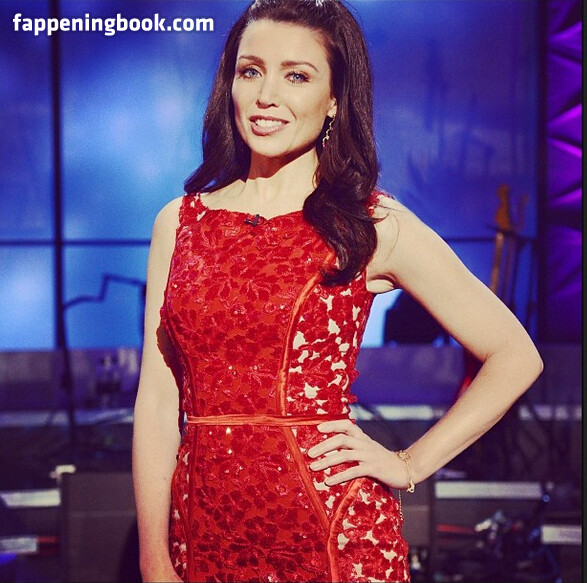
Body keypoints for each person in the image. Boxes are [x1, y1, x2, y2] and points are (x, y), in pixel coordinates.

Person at [132, 0, 543, 581]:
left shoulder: (371, 224)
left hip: (330, 535)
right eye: (251, 71)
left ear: (334, 99)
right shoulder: (179, 223)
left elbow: (515, 355)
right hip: (202, 535)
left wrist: (409, 463)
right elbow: (156, 401)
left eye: (296, 76)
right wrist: (154, 559)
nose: (266, 95)